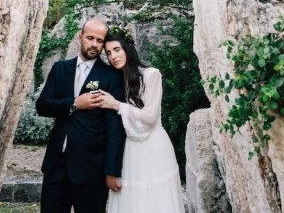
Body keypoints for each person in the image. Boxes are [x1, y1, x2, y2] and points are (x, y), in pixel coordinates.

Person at [36, 18, 126, 213]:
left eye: (100, 40)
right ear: (80, 37)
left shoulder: (111, 76)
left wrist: (112, 171)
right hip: (56, 166)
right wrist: (74, 103)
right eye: (90, 38)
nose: (94, 44)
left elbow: (114, 127)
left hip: (91, 170)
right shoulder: (60, 68)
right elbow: (42, 105)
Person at [96, 32, 185, 213]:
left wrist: (117, 105)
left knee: (156, 200)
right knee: (131, 200)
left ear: (128, 48)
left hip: (153, 147)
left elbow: (150, 116)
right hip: (127, 148)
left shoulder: (151, 75)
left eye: (117, 50)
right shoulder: (114, 81)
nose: (113, 56)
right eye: (108, 53)